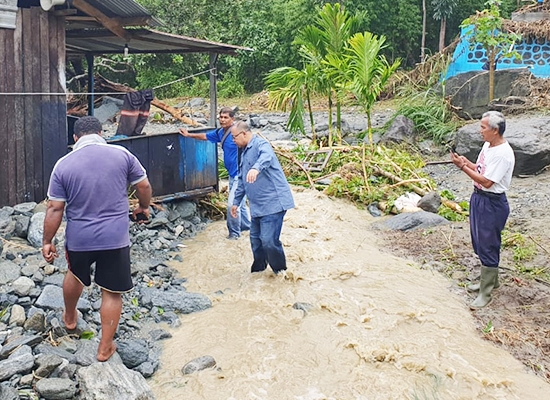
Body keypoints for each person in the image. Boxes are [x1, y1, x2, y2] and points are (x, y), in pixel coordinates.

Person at [42, 116, 152, 361]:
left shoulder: (63, 164)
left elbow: (54, 208)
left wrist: (47, 241)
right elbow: (143, 186)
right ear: (102, 133)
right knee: (112, 292)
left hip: (80, 238)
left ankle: (70, 318)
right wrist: (143, 207)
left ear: (75, 138)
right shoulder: (122, 155)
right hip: (115, 237)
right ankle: (104, 347)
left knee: (75, 273)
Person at [451, 111, 515, 309]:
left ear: (495, 131)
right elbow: (481, 169)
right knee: (478, 241)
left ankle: (486, 293)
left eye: (483, 127)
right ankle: (490, 280)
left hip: (492, 202)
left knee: (488, 244)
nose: (480, 131)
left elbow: (487, 182)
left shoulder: (503, 154)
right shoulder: (489, 145)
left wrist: (462, 168)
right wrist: (467, 163)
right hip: (479, 198)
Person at [230, 121, 295, 274]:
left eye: (234, 137)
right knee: (256, 241)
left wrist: (256, 168)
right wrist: (235, 203)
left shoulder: (261, 145)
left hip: (273, 203)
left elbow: (267, 157)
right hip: (257, 206)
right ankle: (258, 272)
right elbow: (241, 180)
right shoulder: (243, 151)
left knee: (268, 241)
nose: (233, 141)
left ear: (244, 133)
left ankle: (280, 272)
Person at [179, 107, 250, 240]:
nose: (222, 120)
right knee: (239, 204)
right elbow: (205, 136)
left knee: (232, 205)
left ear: (232, 119)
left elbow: (250, 146)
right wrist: (189, 135)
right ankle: (246, 228)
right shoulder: (221, 133)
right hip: (232, 174)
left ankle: (234, 235)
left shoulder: (237, 134)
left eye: (226, 118)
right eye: (221, 117)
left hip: (240, 175)